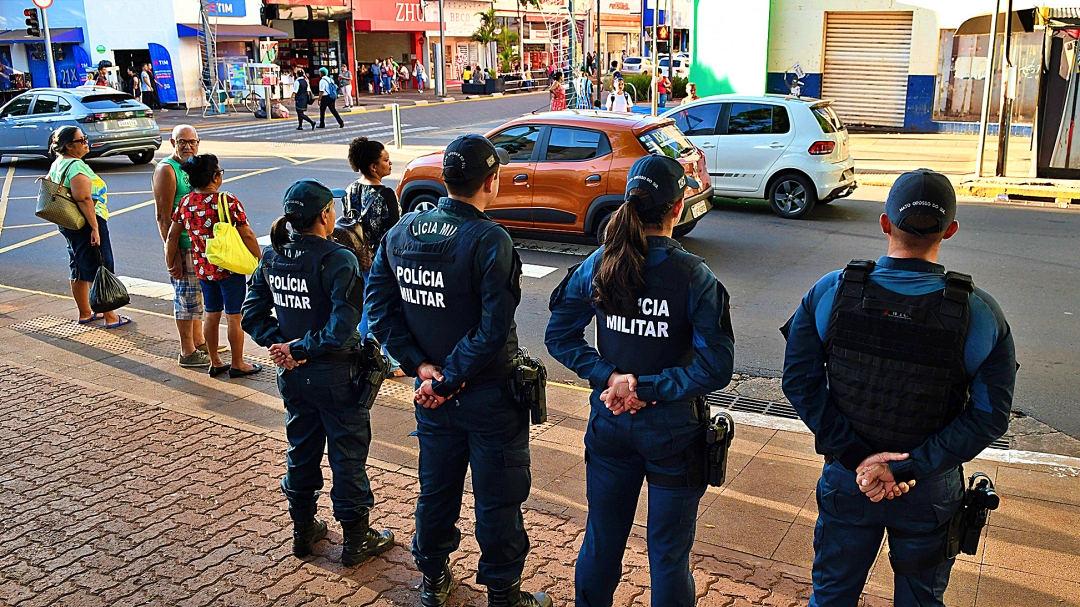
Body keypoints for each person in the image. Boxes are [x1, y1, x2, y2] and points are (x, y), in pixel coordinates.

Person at [781, 169, 1016, 607]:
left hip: (850, 480)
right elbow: (989, 417)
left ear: (885, 223)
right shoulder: (981, 313)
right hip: (928, 489)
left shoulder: (831, 292)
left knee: (831, 597)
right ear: (950, 230)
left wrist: (861, 461)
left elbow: (799, 382)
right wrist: (906, 469)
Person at [365, 135, 551, 607]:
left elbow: (379, 311)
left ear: (446, 179)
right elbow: (492, 330)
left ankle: (432, 580)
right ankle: (503, 595)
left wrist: (422, 369)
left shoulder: (401, 232)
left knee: (437, 491)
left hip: (433, 397)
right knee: (498, 499)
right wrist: (445, 378)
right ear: (492, 182)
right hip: (487, 397)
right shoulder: (490, 240)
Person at [545, 155, 735, 607]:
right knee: (668, 555)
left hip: (610, 422)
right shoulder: (694, 276)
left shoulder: (600, 261)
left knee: (603, 538)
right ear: (679, 205)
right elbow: (715, 368)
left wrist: (611, 378)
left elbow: (559, 335)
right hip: (674, 432)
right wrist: (645, 388)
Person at [241, 178, 395, 567]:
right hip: (336, 377)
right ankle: (356, 540)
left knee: (302, 450)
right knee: (347, 457)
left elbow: (251, 314)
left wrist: (281, 346)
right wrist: (298, 348)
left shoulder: (273, 255)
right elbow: (344, 325)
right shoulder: (337, 258)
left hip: (293, 376)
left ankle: (303, 531)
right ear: (326, 214)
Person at [167, 154, 262, 379]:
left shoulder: (186, 202)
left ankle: (215, 361)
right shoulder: (227, 201)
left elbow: (172, 235)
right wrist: (259, 259)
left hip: (203, 269)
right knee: (234, 316)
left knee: (211, 313)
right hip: (229, 268)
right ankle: (238, 363)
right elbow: (246, 233)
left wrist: (170, 261)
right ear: (215, 176)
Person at [47, 126, 131, 330]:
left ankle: (85, 313)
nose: (86, 141)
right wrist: (94, 227)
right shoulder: (75, 166)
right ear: (68, 145)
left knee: (77, 264)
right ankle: (110, 316)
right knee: (100, 265)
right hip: (87, 221)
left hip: (69, 222)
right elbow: (83, 198)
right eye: (81, 139)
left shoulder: (58, 163)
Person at [344, 137, 405, 377]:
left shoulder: (350, 190)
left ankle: (364, 353)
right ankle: (389, 361)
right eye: (386, 160)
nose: (390, 164)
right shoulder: (386, 194)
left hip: (357, 258)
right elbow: (395, 233)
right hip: (382, 262)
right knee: (386, 309)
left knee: (365, 308)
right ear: (373, 167)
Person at [154, 124, 213, 368]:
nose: (188, 146)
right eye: (182, 142)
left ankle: (199, 341)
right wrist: (172, 254)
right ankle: (187, 350)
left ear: (198, 142)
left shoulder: (193, 166)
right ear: (172, 143)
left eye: (191, 142)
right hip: (183, 245)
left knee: (197, 297)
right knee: (185, 298)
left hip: (200, 246)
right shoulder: (167, 170)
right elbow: (163, 216)